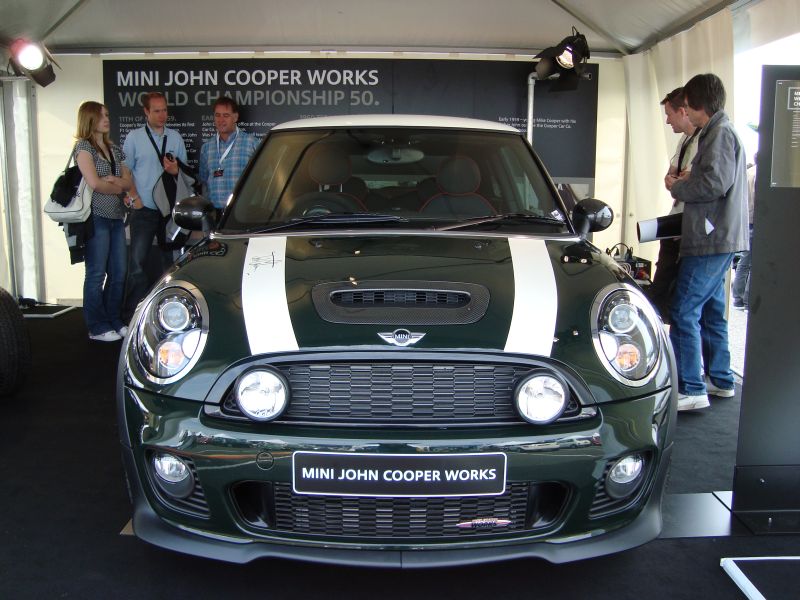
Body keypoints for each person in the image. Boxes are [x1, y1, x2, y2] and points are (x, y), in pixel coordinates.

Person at [666, 73, 750, 411]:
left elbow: (713, 184)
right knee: (713, 311)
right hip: (719, 237)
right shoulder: (718, 132)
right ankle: (721, 379)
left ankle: (691, 387)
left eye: (686, 105)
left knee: (683, 310)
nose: (684, 112)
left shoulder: (719, 134)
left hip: (710, 238)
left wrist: (678, 186)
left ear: (697, 104)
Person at [122, 92, 188, 318]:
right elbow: (125, 170)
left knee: (170, 263)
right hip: (145, 209)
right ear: (146, 112)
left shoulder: (175, 137)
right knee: (137, 262)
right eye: (157, 111)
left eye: (165, 110)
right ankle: (132, 314)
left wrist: (176, 170)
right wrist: (134, 197)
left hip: (169, 211)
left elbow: (185, 173)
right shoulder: (134, 138)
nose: (162, 115)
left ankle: (168, 312)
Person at [73, 101, 133, 341]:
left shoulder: (113, 148)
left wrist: (115, 182)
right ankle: (96, 326)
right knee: (96, 273)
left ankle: (114, 320)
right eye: (101, 116)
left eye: (107, 115)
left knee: (119, 272)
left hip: (116, 217)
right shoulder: (83, 148)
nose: (107, 119)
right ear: (89, 119)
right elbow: (95, 183)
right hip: (95, 217)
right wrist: (117, 186)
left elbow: (128, 181)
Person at [646, 87, 700, 323]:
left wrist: (679, 180)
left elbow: (688, 179)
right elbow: (672, 176)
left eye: (669, 115)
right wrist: (678, 180)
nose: (667, 121)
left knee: (680, 300)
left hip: (690, 229)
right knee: (661, 288)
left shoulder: (704, 141)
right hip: (675, 223)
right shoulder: (685, 140)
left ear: (683, 111)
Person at [198, 96, 259, 214]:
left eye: (226, 115)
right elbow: (204, 181)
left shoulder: (251, 144)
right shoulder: (207, 148)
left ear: (235, 117)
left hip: (243, 213)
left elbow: (263, 179)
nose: (221, 120)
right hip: (215, 214)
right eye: (217, 115)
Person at [732, 155, 757, 310]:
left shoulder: (747, 172)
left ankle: (738, 297)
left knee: (744, 260)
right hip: (755, 219)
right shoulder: (759, 175)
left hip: (744, 219)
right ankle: (747, 299)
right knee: (754, 262)